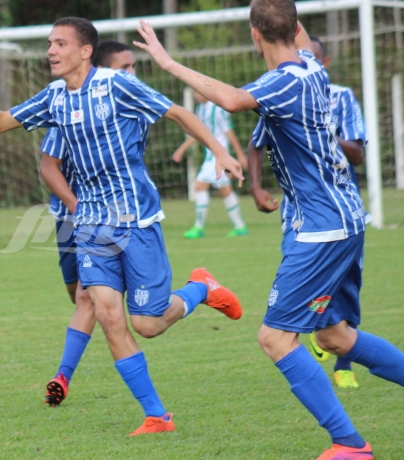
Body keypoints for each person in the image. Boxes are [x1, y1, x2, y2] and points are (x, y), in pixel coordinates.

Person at [0, 17, 244, 436]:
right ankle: (157, 415)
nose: (51, 50)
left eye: (60, 43)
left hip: (136, 221)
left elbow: (177, 114)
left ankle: (202, 289)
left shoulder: (116, 85)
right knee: (107, 315)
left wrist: (221, 154)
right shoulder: (53, 97)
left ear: (85, 51)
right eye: (49, 43)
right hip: (90, 226)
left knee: (148, 324)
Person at [134, 1, 404, 458]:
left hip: (319, 229)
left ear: (255, 36)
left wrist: (166, 62)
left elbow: (233, 100)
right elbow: (286, 34)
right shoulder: (314, 69)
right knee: (334, 336)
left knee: (275, 338)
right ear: (297, 30)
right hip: (343, 219)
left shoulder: (281, 82)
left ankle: (350, 445)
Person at [248, 34, 369, 390]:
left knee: (277, 337)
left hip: (330, 219)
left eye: (309, 57)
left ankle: (348, 432)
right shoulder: (279, 91)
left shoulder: (333, 94)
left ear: (321, 64)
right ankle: (336, 353)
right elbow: (259, 140)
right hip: (308, 219)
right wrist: (255, 186)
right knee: (335, 334)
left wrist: (320, 133)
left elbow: (358, 153)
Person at [38, 41, 143, 408]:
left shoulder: (129, 110)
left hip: (112, 220)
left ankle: (62, 376)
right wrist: (74, 204)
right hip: (69, 219)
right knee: (80, 297)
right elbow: (48, 164)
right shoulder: (67, 109)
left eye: (133, 68)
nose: (131, 76)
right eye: (123, 69)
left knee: (89, 299)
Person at [173, 91, 248, 238]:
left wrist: (240, 154)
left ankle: (198, 228)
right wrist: (181, 149)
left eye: (196, 92)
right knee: (225, 191)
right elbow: (198, 134)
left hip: (218, 156)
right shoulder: (201, 109)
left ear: (204, 93)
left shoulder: (217, 109)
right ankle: (240, 227)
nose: (194, 95)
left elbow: (229, 132)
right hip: (211, 156)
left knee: (200, 186)